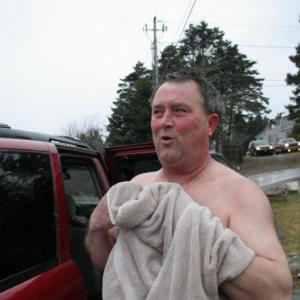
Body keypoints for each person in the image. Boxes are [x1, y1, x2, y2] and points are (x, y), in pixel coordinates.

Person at [85, 73, 293, 299]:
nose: (165, 120)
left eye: (179, 110)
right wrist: (96, 227)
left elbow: (277, 292)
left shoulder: (240, 193)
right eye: (158, 112)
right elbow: (111, 264)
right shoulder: (138, 186)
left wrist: (195, 231)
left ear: (210, 124)